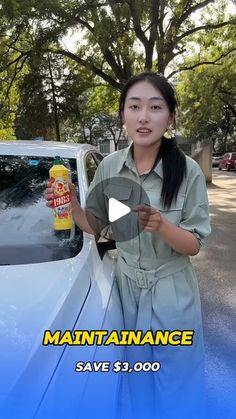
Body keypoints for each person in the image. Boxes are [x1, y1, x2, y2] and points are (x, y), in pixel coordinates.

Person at [45, 71, 211, 419]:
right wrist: (72, 204)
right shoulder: (109, 167)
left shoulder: (189, 172)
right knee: (135, 381)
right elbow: (96, 226)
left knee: (176, 386)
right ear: (122, 116)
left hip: (171, 295)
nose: (144, 116)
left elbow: (193, 244)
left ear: (171, 116)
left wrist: (162, 225)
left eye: (155, 107)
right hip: (126, 291)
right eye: (134, 107)